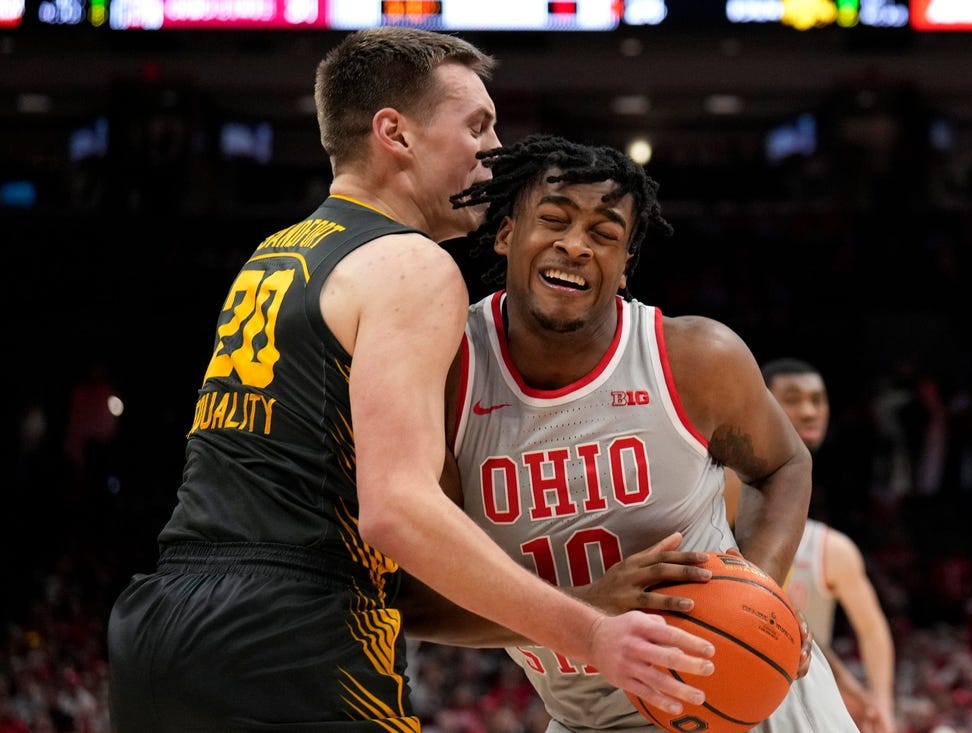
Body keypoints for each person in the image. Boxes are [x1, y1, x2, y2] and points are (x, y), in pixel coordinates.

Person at [106, 31, 716, 732]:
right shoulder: (411, 263)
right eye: (477, 125)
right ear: (394, 132)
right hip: (292, 633)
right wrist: (589, 633)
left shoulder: (275, 255)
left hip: (161, 625)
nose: (494, 149)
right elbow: (395, 508)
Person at [398, 134, 857, 733]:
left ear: (625, 266)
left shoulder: (693, 358)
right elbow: (412, 599)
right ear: (506, 233)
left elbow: (784, 464)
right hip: (591, 720)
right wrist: (586, 615)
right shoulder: (446, 376)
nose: (575, 245)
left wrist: (756, 597)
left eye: (605, 234)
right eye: (554, 220)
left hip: (753, 705)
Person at [729, 358, 897, 733]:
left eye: (817, 400)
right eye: (793, 398)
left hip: (788, 692)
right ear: (762, 403)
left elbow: (871, 630)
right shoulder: (730, 479)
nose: (808, 411)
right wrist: (846, 681)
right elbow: (755, 604)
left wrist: (880, 702)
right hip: (729, 679)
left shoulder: (829, 545)